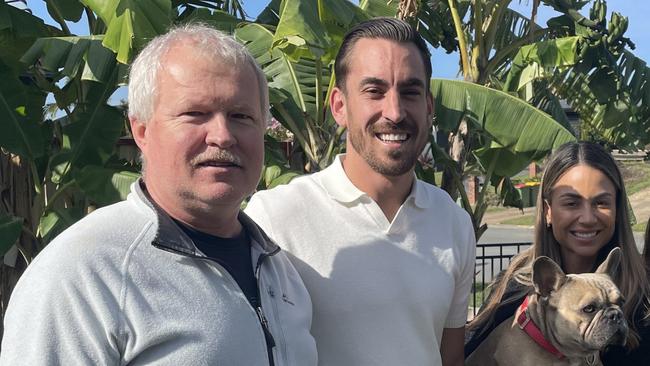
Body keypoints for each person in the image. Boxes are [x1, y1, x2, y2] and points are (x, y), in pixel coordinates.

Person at [0, 24, 317, 365]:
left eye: (241, 116)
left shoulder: (277, 268)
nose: (223, 135)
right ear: (141, 130)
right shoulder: (84, 272)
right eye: (195, 114)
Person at [245, 17, 475, 366]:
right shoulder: (276, 218)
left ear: (429, 106)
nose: (395, 112)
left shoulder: (454, 223)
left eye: (410, 92)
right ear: (339, 106)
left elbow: (450, 357)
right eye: (374, 91)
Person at [465, 141, 650, 365]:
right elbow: (464, 352)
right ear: (548, 211)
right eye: (571, 203)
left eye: (601, 203)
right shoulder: (514, 290)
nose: (587, 218)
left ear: (618, 209)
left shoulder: (644, 296)